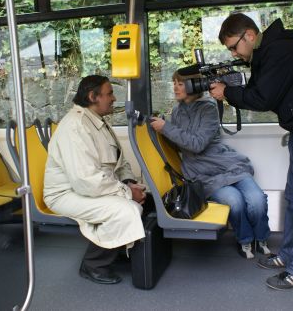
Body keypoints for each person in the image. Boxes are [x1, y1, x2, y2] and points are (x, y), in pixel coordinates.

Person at [210, 13, 293, 290]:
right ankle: (288, 255)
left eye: (234, 47)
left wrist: (227, 93)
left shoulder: (278, 51)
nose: (234, 53)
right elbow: (261, 89)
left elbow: (262, 98)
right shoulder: (267, 53)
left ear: (249, 35)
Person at [150, 70, 271, 259]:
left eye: (180, 83)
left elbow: (196, 144)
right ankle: (245, 240)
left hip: (227, 165)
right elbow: (179, 145)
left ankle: (261, 237)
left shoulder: (208, 108)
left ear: (193, 86)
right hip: (202, 173)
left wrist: (166, 128)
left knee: (257, 201)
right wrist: (162, 129)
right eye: (173, 82)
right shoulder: (177, 111)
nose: (175, 87)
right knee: (235, 202)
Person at [44, 75, 147, 284]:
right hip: (66, 194)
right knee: (126, 209)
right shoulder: (76, 127)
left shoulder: (98, 123)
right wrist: (127, 194)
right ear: (93, 96)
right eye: (109, 94)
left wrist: (128, 183)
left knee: (146, 197)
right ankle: (93, 265)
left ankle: (115, 247)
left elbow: (120, 162)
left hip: (89, 188)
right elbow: (86, 181)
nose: (114, 98)